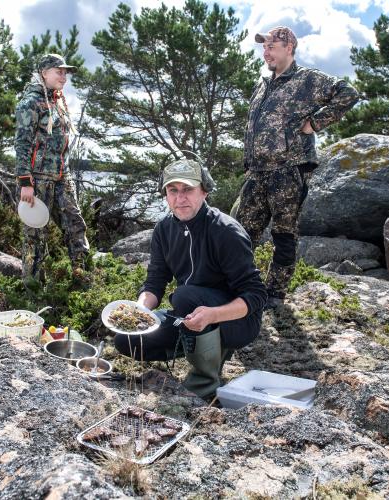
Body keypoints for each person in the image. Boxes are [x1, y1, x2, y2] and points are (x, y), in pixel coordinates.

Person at [114, 158, 267, 399]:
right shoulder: (164, 229)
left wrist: (213, 315)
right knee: (127, 339)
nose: (180, 198)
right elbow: (155, 281)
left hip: (236, 322)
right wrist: (138, 311)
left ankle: (204, 384)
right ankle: (198, 346)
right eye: (172, 190)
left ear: (204, 191)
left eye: (188, 189)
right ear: (165, 195)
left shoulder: (226, 231)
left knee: (185, 295)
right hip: (190, 314)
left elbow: (257, 296)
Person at [236, 26, 358, 308]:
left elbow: (348, 93)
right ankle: (240, 288)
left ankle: (275, 294)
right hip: (257, 173)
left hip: (288, 171)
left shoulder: (307, 80)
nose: (265, 52)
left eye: (271, 46)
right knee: (242, 234)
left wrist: (314, 123)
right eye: (263, 47)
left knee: (283, 234)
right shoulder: (263, 84)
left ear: (289, 47)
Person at [15, 53, 90, 284]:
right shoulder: (30, 103)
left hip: (60, 176)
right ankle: (34, 289)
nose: (64, 76)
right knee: (35, 235)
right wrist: (25, 182)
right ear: (44, 73)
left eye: (65, 72)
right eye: (59, 71)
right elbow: (22, 143)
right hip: (37, 180)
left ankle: (83, 279)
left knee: (75, 224)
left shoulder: (57, 101)